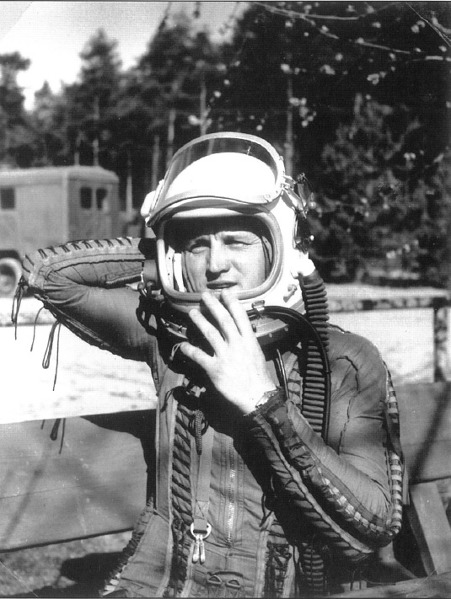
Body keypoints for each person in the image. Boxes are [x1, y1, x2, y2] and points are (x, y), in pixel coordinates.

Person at [18, 132, 406, 597]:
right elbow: (49, 275)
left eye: (237, 241)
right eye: (199, 244)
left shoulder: (343, 360)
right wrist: (165, 251)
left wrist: (263, 401)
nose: (216, 263)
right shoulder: (170, 337)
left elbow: (375, 525)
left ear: (281, 247)